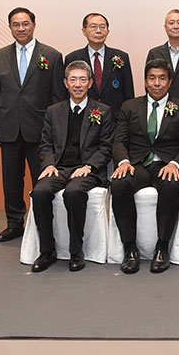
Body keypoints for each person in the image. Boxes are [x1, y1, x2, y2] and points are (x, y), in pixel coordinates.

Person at [110, 59, 179, 273]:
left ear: (169, 82)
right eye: (152, 78)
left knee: (171, 185)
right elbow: (119, 141)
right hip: (137, 165)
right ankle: (130, 248)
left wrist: (175, 164)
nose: (157, 83)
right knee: (119, 184)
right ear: (145, 81)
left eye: (162, 78)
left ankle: (162, 247)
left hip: (166, 165)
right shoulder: (129, 107)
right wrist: (123, 161)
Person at [29, 61, 114, 273]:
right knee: (39, 192)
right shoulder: (53, 111)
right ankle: (47, 250)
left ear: (90, 83)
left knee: (74, 192)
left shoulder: (103, 111)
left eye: (82, 80)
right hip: (59, 168)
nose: (78, 84)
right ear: (65, 83)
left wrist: (89, 165)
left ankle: (76, 251)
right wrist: (49, 164)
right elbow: (45, 144)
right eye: (73, 80)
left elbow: (106, 148)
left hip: (87, 170)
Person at [0, 7, 65, 242]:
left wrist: (56, 131)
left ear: (33, 25)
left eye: (25, 24)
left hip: (40, 130)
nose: (21, 28)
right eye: (16, 24)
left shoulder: (52, 56)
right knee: (11, 180)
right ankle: (14, 224)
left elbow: (58, 97)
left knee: (41, 181)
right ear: (10, 27)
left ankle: (42, 224)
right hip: (8, 127)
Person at [64, 13, 135, 116]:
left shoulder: (122, 57)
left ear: (108, 31)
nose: (98, 31)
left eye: (102, 27)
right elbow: (66, 94)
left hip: (114, 119)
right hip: (82, 118)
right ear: (84, 31)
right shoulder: (72, 58)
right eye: (93, 27)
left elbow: (128, 94)